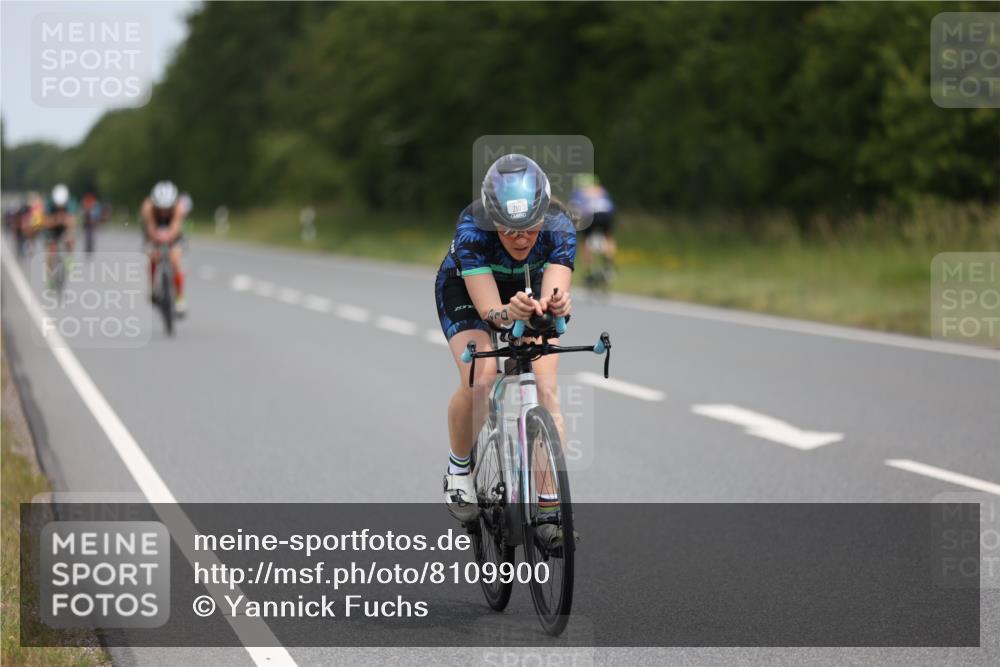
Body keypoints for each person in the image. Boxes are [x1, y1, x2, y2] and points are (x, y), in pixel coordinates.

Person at [435, 154, 576, 537]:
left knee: (545, 390)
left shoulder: (561, 227)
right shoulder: (471, 228)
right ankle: (459, 468)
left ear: (544, 215)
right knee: (483, 376)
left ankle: (549, 510)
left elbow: (553, 303)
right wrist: (506, 313)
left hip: (524, 292)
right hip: (467, 289)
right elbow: (491, 312)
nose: (520, 237)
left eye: (530, 227)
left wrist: (556, 306)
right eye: (508, 228)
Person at [141, 181, 188, 315]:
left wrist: (168, 237)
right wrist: (156, 238)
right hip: (154, 232)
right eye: (160, 208)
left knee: (175, 259)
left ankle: (180, 298)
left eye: (167, 209)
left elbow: (176, 226)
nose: (163, 212)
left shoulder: (179, 207)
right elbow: (150, 227)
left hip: (173, 233)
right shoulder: (147, 207)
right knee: (153, 256)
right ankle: (153, 288)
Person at [569, 174, 616, 283]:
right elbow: (611, 206)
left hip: (590, 215)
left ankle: (588, 271)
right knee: (608, 237)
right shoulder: (601, 190)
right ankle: (608, 264)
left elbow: (575, 210)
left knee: (585, 241)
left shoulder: (579, 192)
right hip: (606, 214)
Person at [44, 184, 77, 282]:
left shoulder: (70, 203)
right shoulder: (49, 204)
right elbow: (47, 223)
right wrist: (56, 220)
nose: (60, 207)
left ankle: (70, 258)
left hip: (64, 227)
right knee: (50, 251)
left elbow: (72, 221)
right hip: (52, 229)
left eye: (62, 206)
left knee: (70, 237)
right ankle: (50, 277)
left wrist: (64, 221)